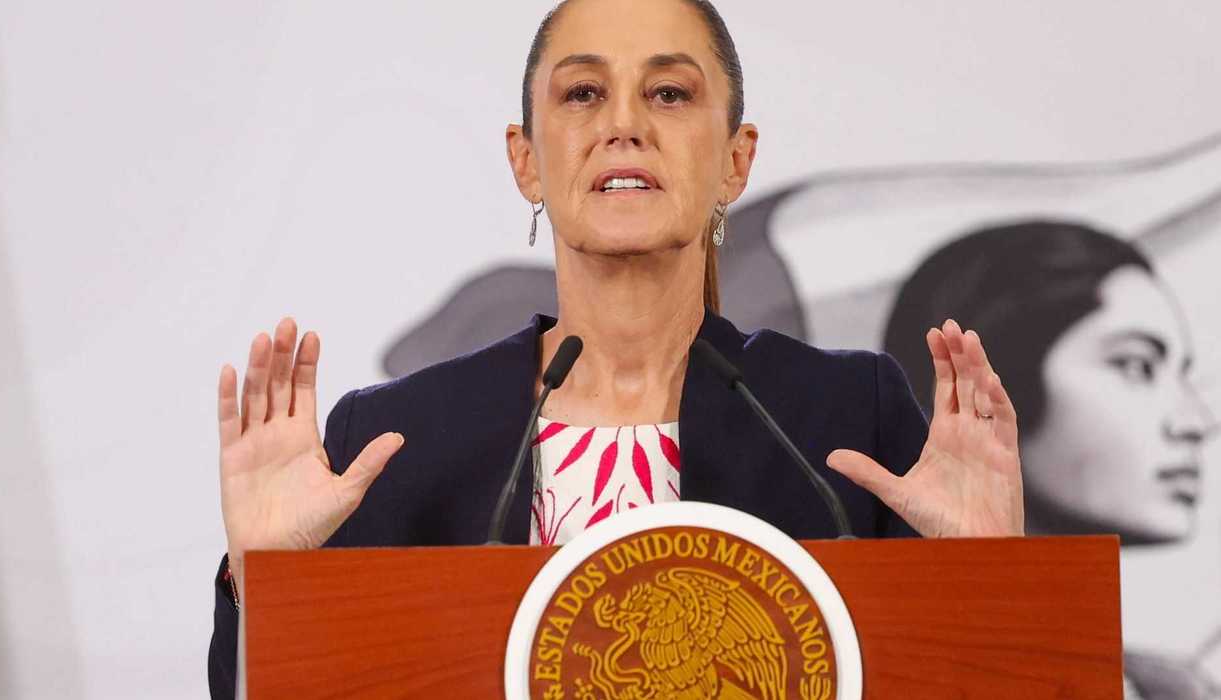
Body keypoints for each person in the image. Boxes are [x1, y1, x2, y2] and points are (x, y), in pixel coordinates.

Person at [207, 1, 1025, 697]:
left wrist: (993, 590)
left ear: (736, 161)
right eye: (583, 93)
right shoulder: (391, 443)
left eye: (668, 93)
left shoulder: (844, 419)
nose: (623, 125)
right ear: (525, 160)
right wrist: (266, 588)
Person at [883, 220, 1218, 698]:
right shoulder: (858, 665)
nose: (1195, 421)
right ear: (982, 388)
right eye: (1137, 365)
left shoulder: (1176, 689)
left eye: (1181, 373)